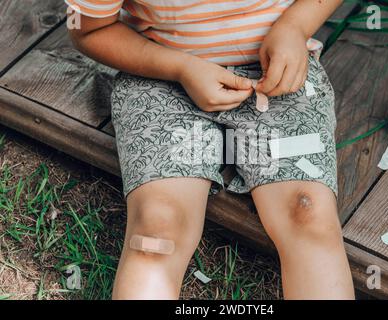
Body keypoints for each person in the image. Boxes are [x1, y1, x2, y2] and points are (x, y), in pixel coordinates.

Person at [66, 0, 355, 300]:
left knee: (307, 213)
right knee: (157, 227)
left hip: (277, 74)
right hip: (160, 74)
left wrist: (295, 26)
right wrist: (180, 68)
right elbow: (88, 30)